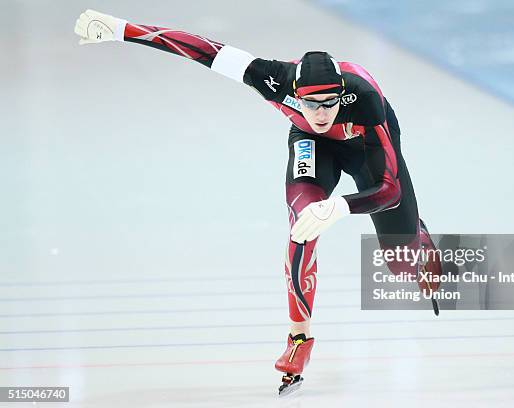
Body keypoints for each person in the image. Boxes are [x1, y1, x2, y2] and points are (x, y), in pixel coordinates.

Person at [74, 9, 442, 396]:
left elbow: (389, 190)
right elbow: (200, 50)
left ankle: (416, 234)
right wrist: (121, 29)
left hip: (366, 146)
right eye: (312, 104)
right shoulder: (271, 77)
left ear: (342, 95)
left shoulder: (365, 100)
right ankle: (299, 339)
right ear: (294, 94)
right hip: (312, 147)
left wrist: (340, 207)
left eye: (330, 103)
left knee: (401, 264)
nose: (322, 114)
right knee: (302, 225)